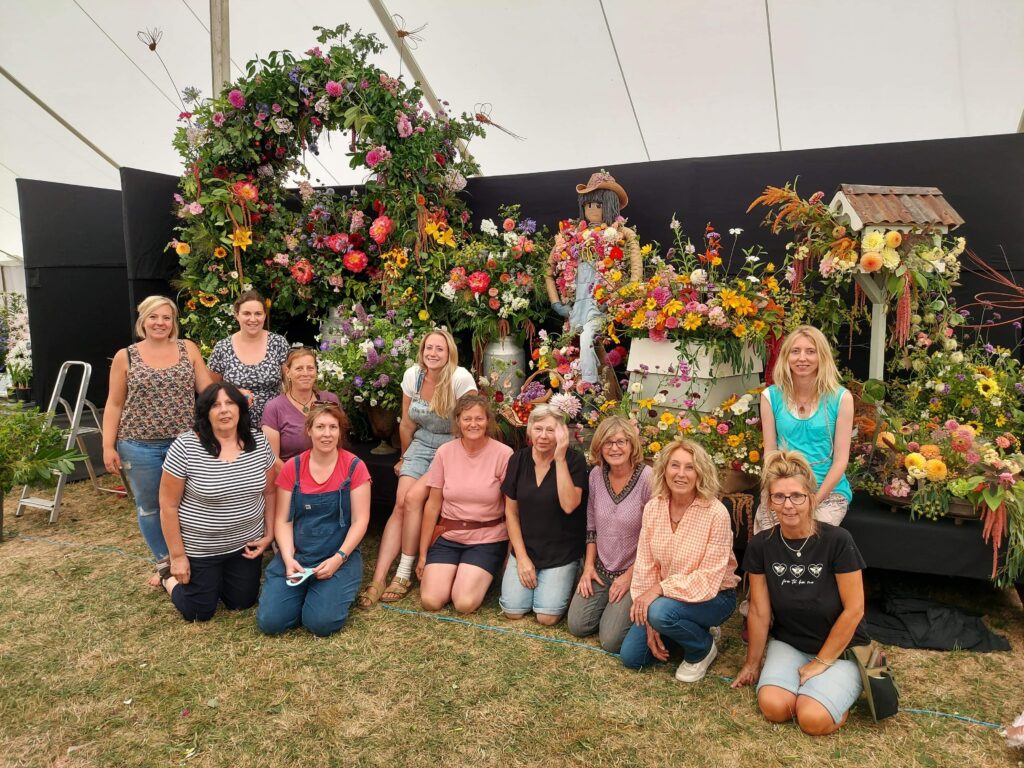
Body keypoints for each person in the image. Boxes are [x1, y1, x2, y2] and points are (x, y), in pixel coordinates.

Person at [732, 450, 869, 736]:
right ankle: (812, 689)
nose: (788, 505)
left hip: (842, 650)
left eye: (796, 496)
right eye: (779, 497)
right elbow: (759, 610)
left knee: (812, 720)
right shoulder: (761, 545)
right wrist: (752, 663)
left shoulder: (838, 541)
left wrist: (820, 663)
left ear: (811, 496)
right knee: (774, 707)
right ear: (769, 501)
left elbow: (855, 609)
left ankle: (833, 692)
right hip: (790, 643)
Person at [358, 328, 477, 607]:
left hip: (451, 445)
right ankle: (378, 577)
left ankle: (403, 573)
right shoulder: (413, 376)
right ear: (421, 352)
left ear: (449, 353)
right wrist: (404, 456)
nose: (433, 353)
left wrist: (464, 457)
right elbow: (408, 424)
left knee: (413, 499)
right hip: (421, 443)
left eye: (439, 349)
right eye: (428, 348)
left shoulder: (460, 378)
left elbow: (471, 421)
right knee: (400, 503)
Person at [102, 295, 213, 586]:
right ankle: (166, 565)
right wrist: (107, 446)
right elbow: (114, 404)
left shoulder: (188, 349)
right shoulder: (126, 356)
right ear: (143, 320)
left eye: (166, 317)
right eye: (154, 317)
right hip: (139, 445)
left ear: (173, 322)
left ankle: (190, 558)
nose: (160, 323)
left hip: (186, 443)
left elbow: (207, 390)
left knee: (190, 503)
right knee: (150, 506)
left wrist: (234, 397)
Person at [620, 438, 739, 682]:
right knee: (632, 657)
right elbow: (645, 563)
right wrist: (649, 616)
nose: (681, 474)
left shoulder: (716, 513)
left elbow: (708, 579)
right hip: (665, 599)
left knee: (661, 612)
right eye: (675, 466)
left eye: (690, 467)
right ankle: (682, 626)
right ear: (664, 470)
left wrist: (658, 594)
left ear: (701, 473)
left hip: (715, 596)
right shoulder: (654, 507)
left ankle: (702, 648)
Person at [158, 382, 277, 621]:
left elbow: (270, 492)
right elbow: (168, 505)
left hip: (245, 545)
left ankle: (218, 578)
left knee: (242, 603)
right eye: (215, 405)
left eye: (230, 403)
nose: (224, 410)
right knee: (198, 612)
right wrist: (178, 556)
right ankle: (165, 574)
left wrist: (269, 534)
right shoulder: (185, 447)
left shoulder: (259, 441)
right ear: (205, 412)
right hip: (201, 549)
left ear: (241, 409)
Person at [256, 404, 370, 637]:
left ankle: (326, 593)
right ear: (308, 430)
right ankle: (302, 593)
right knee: (271, 622)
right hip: (299, 554)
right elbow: (283, 521)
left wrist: (338, 559)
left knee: (321, 624)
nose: (326, 434)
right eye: (320, 427)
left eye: (333, 427)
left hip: (338, 555)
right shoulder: (292, 468)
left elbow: (360, 520)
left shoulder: (354, 467)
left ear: (340, 432)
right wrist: (288, 559)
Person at [416, 393, 512, 614]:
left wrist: (510, 553)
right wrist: (423, 554)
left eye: (479, 418)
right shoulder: (445, 452)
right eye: (467, 418)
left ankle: (475, 576)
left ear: (487, 421)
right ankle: (457, 574)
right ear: (458, 421)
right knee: (431, 601)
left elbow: (511, 509)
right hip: (449, 536)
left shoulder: (503, 454)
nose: (473, 424)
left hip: (487, 538)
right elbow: (432, 505)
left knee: (464, 603)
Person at [544, 170, 641, 384]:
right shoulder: (570, 238)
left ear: (610, 206)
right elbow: (548, 272)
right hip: (575, 305)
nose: (593, 210)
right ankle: (583, 399)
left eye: (598, 205)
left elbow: (636, 278)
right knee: (567, 353)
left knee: (587, 338)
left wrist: (615, 299)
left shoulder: (623, 234)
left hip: (603, 305)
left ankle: (589, 386)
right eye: (588, 205)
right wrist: (556, 303)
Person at [754, 325, 853, 534]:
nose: (802, 358)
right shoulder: (771, 397)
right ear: (786, 356)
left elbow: (841, 461)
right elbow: (770, 455)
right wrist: (778, 496)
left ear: (822, 356)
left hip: (826, 492)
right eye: (795, 351)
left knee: (810, 543)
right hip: (782, 488)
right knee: (770, 543)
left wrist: (813, 500)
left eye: (810, 351)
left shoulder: (841, 398)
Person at [567, 416, 652, 652]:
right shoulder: (596, 475)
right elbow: (592, 525)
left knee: (611, 640)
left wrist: (630, 576)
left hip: (635, 570)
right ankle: (612, 610)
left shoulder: (648, 479)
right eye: (608, 443)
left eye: (621, 442)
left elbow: (654, 537)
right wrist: (588, 567)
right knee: (577, 625)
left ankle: (643, 613)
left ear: (632, 445)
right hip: (602, 568)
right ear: (599, 447)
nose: (615, 448)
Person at [499, 405, 588, 626]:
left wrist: (560, 459)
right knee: (513, 610)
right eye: (538, 429)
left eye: (551, 430)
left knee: (546, 616)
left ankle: (566, 575)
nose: (544, 436)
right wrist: (521, 558)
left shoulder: (575, 461)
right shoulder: (518, 459)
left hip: (561, 552)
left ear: (562, 433)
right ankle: (533, 575)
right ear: (529, 430)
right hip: (526, 549)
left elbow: (569, 505)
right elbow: (511, 512)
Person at [207, 290, 289, 428]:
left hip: (274, 423)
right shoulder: (223, 347)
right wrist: (233, 394)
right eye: (246, 313)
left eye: (258, 313)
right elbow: (211, 389)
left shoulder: (278, 343)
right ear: (236, 315)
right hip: (233, 425)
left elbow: (290, 383)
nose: (253, 319)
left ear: (264, 316)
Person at [261, 347, 341, 461]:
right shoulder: (274, 408)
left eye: (310, 368)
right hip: (290, 476)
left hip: (329, 472)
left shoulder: (330, 400)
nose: (305, 373)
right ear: (288, 372)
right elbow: (273, 460)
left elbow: (339, 444)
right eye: (299, 368)